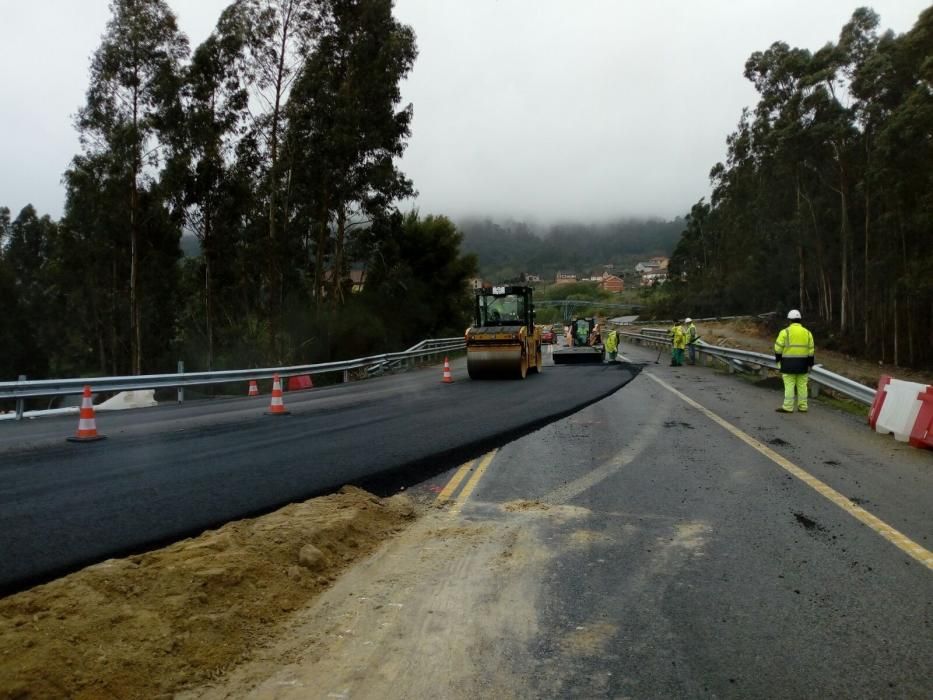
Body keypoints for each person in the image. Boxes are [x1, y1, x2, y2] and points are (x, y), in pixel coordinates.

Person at [773, 309, 815, 413]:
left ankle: (787, 407)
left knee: (789, 386)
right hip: (803, 364)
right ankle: (803, 406)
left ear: (789, 320)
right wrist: (810, 364)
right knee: (802, 386)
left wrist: (778, 360)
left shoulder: (784, 332)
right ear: (800, 320)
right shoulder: (808, 333)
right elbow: (811, 350)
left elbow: (777, 349)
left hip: (788, 364)